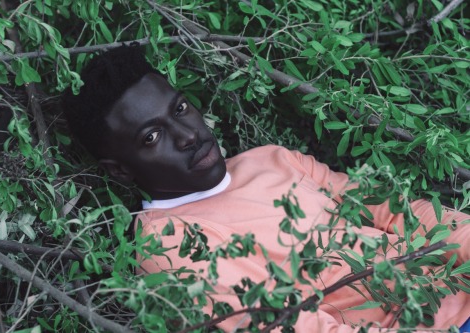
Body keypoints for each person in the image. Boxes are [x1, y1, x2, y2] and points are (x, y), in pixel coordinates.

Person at [62, 45, 470, 332]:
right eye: (152, 137)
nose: (187, 136)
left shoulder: (271, 158)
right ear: (120, 171)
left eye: (181, 109)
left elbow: (394, 209)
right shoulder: (168, 242)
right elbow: (287, 327)